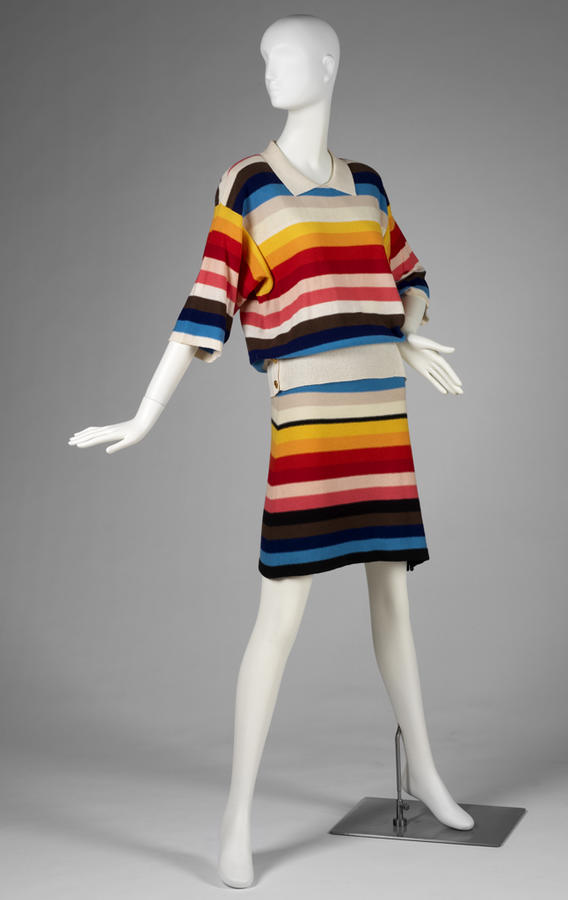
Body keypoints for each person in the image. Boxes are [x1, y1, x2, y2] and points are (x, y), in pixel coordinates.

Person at [68, 14, 471, 890]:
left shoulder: (367, 183)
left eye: (286, 57)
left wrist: (407, 333)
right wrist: (143, 413)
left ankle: (429, 775)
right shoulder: (246, 184)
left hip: (382, 420)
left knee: (393, 602)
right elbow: (207, 301)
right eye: (263, 60)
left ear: (328, 64)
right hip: (311, 425)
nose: (270, 73)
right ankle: (236, 816)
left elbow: (408, 275)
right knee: (278, 620)